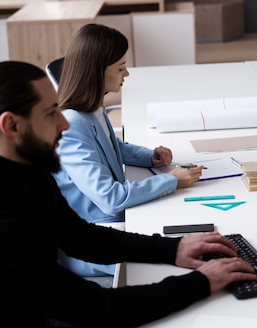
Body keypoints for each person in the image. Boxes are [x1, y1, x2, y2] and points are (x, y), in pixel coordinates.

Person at [0, 61, 255, 327]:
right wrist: (202, 282)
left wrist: (172, 249)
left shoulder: (26, 167)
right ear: (11, 125)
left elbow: (80, 236)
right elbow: (100, 308)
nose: (64, 123)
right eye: (52, 113)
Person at [53, 23, 203, 277]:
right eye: (120, 68)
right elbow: (110, 199)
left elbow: (114, 146)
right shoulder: (72, 125)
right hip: (95, 239)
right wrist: (170, 181)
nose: (127, 74)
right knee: (182, 254)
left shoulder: (91, 108)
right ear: (96, 72)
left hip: (115, 223)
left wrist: (150, 157)